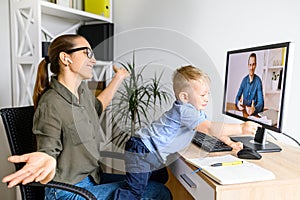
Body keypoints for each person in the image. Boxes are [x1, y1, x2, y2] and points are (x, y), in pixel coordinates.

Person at [2, 34, 171, 200]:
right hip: (67, 191)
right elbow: (48, 149)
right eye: (87, 53)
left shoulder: (82, 92)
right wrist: (47, 160)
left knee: (155, 176)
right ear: (65, 58)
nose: (94, 60)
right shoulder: (51, 103)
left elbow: (97, 108)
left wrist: (118, 78)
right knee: (159, 191)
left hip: (92, 178)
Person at [113, 65, 260, 199]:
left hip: (151, 152)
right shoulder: (185, 110)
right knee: (134, 190)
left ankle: (136, 184)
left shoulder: (196, 112)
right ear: (184, 97)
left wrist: (229, 143)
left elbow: (210, 130)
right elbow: (209, 128)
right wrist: (241, 128)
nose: (207, 99)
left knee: (161, 178)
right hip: (143, 151)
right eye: (203, 95)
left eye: (208, 94)